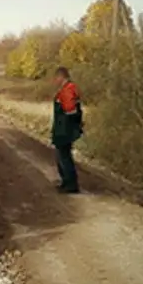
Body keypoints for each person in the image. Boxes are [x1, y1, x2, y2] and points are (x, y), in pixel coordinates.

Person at [51, 66, 84, 194]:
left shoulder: (67, 90)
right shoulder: (69, 89)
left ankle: (71, 184)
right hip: (65, 129)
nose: (55, 80)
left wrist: (65, 124)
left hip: (64, 130)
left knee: (64, 157)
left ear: (61, 77)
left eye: (56, 78)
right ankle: (66, 182)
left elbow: (70, 110)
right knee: (63, 156)